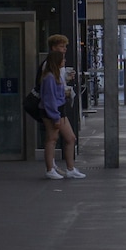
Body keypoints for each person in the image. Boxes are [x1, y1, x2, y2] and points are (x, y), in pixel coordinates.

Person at [40, 50, 86, 180]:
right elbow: (49, 100)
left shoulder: (55, 76)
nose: (65, 61)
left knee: (70, 138)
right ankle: (50, 169)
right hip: (53, 112)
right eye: (63, 59)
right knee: (52, 138)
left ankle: (70, 168)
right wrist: (55, 117)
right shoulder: (49, 77)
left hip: (59, 110)